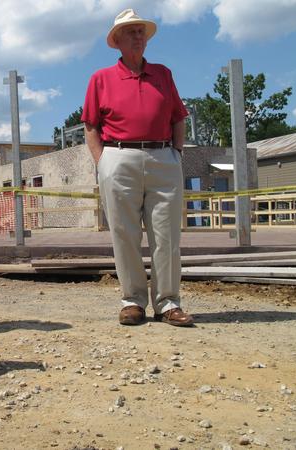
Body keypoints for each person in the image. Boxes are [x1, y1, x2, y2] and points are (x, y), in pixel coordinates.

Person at [81, 9, 193, 327]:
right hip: (118, 157)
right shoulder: (100, 79)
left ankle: (168, 303)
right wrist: (102, 161)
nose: (138, 37)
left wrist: (176, 154)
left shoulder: (163, 74)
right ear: (117, 41)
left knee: (167, 234)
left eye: (141, 31)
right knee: (124, 234)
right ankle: (132, 301)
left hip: (163, 157)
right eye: (130, 32)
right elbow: (91, 125)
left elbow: (178, 118)